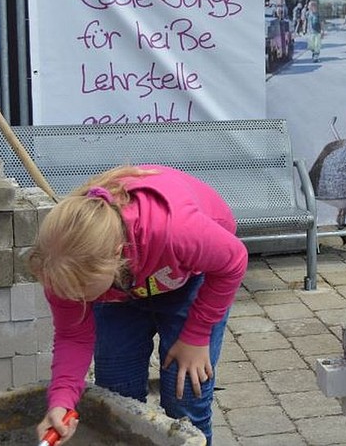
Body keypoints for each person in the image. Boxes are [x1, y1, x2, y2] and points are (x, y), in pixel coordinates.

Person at [28, 165, 248, 446]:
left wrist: (197, 334)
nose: (74, 301)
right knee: (118, 398)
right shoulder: (60, 270)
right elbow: (73, 335)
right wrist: (60, 401)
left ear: (115, 256)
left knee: (185, 398)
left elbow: (233, 261)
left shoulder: (175, 231)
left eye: (81, 294)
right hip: (121, 290)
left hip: (189, 275)